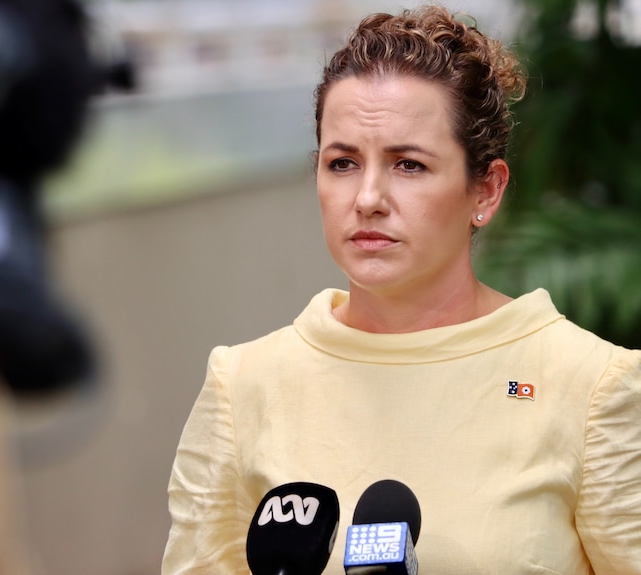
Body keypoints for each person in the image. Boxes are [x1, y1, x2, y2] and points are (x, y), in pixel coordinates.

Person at [161, 4, 641, 574]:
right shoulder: (243, 385)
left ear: (485, 190)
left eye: (408, 165)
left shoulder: (590, 385)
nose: (367, 198)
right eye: (342, 163)